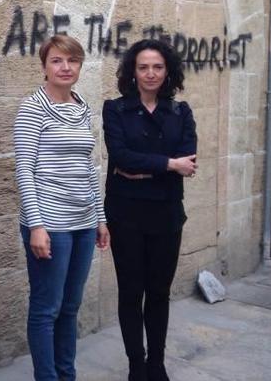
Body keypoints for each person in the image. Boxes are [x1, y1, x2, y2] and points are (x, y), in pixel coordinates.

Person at [13, 35, 110, 381]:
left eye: (72, 60)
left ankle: (66, 375)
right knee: (46, 309)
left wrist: (100, 218)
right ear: (44, 67)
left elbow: (90, 167)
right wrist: (36, 226)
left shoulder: (82, 106)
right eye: (56, 60)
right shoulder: (32, 108)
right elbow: (24, 170)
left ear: (80, 65)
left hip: (83, 223)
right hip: (50, 224)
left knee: (70, 309)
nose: (65, 67)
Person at [102, 39, 197, 381]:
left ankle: (156, 363)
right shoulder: (114, 109)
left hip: (167, 215)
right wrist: (169, 164)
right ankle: (136, 365)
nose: (150, 73)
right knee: (131, 292)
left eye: (157, 67)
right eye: (143, 67)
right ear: (133, 71)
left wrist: (152, 167)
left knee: (159, 292)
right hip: (125, 215)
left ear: (167, 70)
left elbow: (189, 161)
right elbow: (122, 156)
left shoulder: (180, 112)